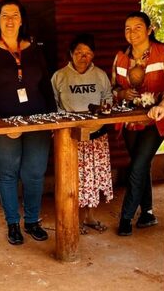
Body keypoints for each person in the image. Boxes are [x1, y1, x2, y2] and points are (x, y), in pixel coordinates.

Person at [0, 0, 57, 245]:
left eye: (14, 15)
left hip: (37, 120)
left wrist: (51, 116)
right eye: (4, 15)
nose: (10, 20)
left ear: (21, 20)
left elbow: (46, 85)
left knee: (34, 173)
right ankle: (12, 224)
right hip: (1, 121)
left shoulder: (34, 48)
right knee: (8, 174)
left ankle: (31, 221)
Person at [111, 11, 164, 237]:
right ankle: (147, 212)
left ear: (148, 30)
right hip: (130, 121)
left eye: (137, 27)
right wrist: (122, 92)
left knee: (136, 166)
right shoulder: (121, 57)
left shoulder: (163, 52)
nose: (132, 32)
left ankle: (126, 217)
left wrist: (161, 104)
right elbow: (113, 88)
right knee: (139, 163)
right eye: (127, 28)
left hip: (157, 120)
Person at [51, 33, 113, 234]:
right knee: (73, 179)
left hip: (96, 135)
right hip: (70, 138)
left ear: (93, 55)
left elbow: (108, 98)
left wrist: (103, 111)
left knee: (92, 177)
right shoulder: (60, 76)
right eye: (78, 52)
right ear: (71, 54)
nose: (83, 57)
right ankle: (74, 218)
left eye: (87, 53)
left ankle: (90, 217)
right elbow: (54, 105)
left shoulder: (100, 75)